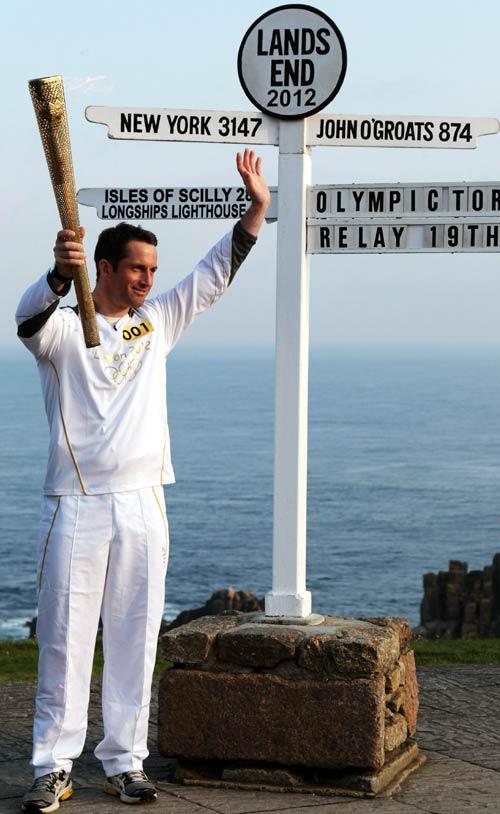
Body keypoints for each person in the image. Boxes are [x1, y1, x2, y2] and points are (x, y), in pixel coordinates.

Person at [16, 150, 270, 813]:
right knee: (66, 641)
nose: (146, 280)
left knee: (134, 637)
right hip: (76, 504)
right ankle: (52, 767)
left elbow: (213, 275)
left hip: (143, 503)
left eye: (152, 270)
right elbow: (25, 321)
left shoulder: (157, 323)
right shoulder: (64, 333)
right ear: (103, 267)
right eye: (135, 268)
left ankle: (125, 762)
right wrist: (54, 273)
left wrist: (256, 211)